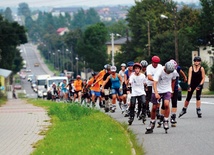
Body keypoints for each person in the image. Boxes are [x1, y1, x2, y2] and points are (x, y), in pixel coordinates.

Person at [145, 61, 176, 134]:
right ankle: (152, 122)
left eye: (170, 72)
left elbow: (174, 80)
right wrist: (156, 93)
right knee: (154, 107)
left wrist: (172, 90)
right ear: (165, 68)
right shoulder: (159, 71)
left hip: (167, 89)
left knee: (166, 104)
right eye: (167, 71)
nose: (168, 73)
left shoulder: (174, 72)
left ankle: (165, 120)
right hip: (157, 89)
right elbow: (154, 83)